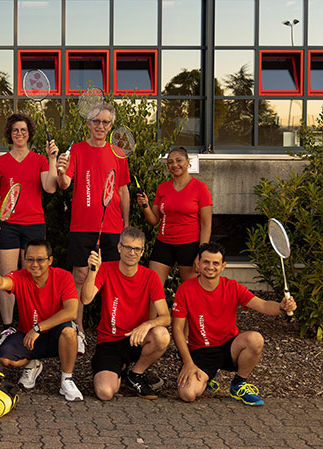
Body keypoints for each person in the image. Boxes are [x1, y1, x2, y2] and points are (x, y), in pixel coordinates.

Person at [172, 242, 296, 406]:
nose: (210, 267)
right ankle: (209, 376)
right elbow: (177, 329)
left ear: (223, 266)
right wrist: (188, 363)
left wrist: (281, 307)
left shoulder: (232, 287)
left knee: (255, 339)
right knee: (188, 394)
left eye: (215, 263)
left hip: (229, 347)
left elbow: (264, 305)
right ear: (198, 264)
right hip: (201, 351)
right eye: (206, 262)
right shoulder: (185, 289)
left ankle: (238, 384)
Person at [56, 103, 131, 354]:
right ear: (88, 123)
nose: (101, 126)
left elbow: (122, 190)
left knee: (112, 280)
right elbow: (65, 184)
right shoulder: (76, 150)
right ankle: (78, 329)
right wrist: (60, 170)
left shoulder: (119, 153)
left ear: (111, 126)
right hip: (82, 226)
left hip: (112, 228)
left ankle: (112, 331)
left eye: (106, 122)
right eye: (96, 121)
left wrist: (126, 225)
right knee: (79, 277)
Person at [0, 239, 83, 401]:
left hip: (54, 335)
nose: (34, 264)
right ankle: (32, 364)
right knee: (4, 358)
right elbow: (2, 282)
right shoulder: (20, 276)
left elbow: (71, 312)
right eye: (30, 259)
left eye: (40, 260)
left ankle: (66, 379)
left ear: (50, 260)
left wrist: (38, 328)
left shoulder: (64, 276)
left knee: (69, 331)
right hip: (28, 335)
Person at [0, 113, 59, 345]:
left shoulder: (39, 160)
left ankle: (32, 324)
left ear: (29, 133)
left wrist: (51, 160)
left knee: (34, 277)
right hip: (7, 225)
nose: (20, 134)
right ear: (10, 134)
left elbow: (50, 188)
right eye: (16, 130)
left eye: (24, 130)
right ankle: (8, 327)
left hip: (34, 225)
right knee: (9, 277)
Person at [81, 227, 171, 401]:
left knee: (161, 335)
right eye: (128, 247)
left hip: (136, 339)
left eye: (137, 249)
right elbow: (85, 299)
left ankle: (136, 374)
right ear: (119, 247)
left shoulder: (151, 276)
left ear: (142, 251)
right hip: (110, 341)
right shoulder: (106, 269)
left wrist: (146, 325)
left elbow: (166, 317)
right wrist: (93, 270)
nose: (132, 252)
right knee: (105, 392)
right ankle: (118, 370)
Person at [137, 146, 212, 285]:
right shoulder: (163, 187)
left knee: (190, 292)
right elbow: (153, 220)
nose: (174, 165)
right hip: (164, 243)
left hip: (189, 245)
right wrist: (145, 205)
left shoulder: (200, 188)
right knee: (153, 287)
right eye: (170, 162)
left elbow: (206, 224)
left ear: (188, 162)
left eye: (179, 160)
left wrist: (202, 253)